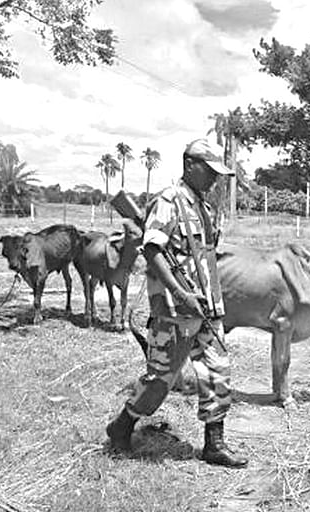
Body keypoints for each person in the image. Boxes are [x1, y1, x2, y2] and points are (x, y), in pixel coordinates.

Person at [106, 138, 248, 468]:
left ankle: (214, 444)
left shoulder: (205, 208)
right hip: (175, 311)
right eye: (209, 171)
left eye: (217, 174)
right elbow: (153, 251)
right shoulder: (169, 201)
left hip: (208, 307)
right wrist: (182, 293)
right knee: (160, 381)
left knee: (217, 371)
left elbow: (204, 256)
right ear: (189, 166)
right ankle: (121, 426)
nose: (214, 180)